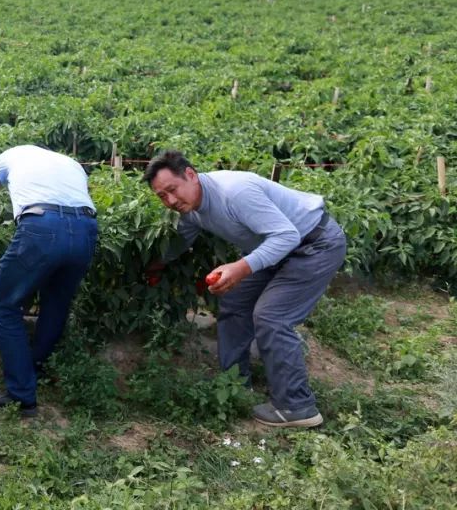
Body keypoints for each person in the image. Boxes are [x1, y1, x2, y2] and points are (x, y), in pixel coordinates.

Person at [143, 150, 347, 428]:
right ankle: (236, 383)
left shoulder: (234, 192)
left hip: (313, 245)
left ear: (190, 175)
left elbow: (287, 235)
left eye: (172, 190)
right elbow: (182, 237)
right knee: (234, 302)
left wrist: (240, 267)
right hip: (275, 249)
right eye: (162, 196)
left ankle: (297, 407)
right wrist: (156, 263)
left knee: (272, 316)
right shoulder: (192, 209)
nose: (170, 201)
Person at [0, 145, 98, 417]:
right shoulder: (70, 163)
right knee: (57, 304)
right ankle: (36, 366)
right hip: (86, 229)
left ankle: (22, 395)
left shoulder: (11, 155)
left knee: (4, 306)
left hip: (41, 226)